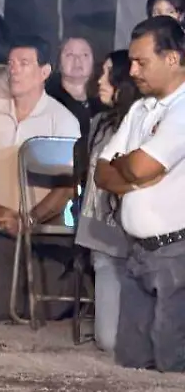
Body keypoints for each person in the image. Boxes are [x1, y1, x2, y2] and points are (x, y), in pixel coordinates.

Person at [0, 37, 80, 321]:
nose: (14, 70)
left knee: (41, 310)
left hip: (46, 226)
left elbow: (66, 187)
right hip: (2, 223)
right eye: (11, 64)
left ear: (44, 72)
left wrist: (31, 218)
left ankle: (76, 282)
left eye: (24, 64)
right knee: (1, 311)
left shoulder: (62, 120)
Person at [95, 16, 185, 372]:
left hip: (177, 253)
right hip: (137, 253)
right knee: (131, 361)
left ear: (173, 59)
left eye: (141, 62)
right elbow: (102, 173)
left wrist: (130, 164)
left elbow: (142, 166)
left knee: (171, 364)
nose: (131, 70)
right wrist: (133, 168)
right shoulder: (140, 108)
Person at [75, 50, 139, 353]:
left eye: (108, 73)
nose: (99, 80)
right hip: (102, 236)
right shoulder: (99, 122)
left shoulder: (147, 123)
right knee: (109, 341)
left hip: (140, 236)